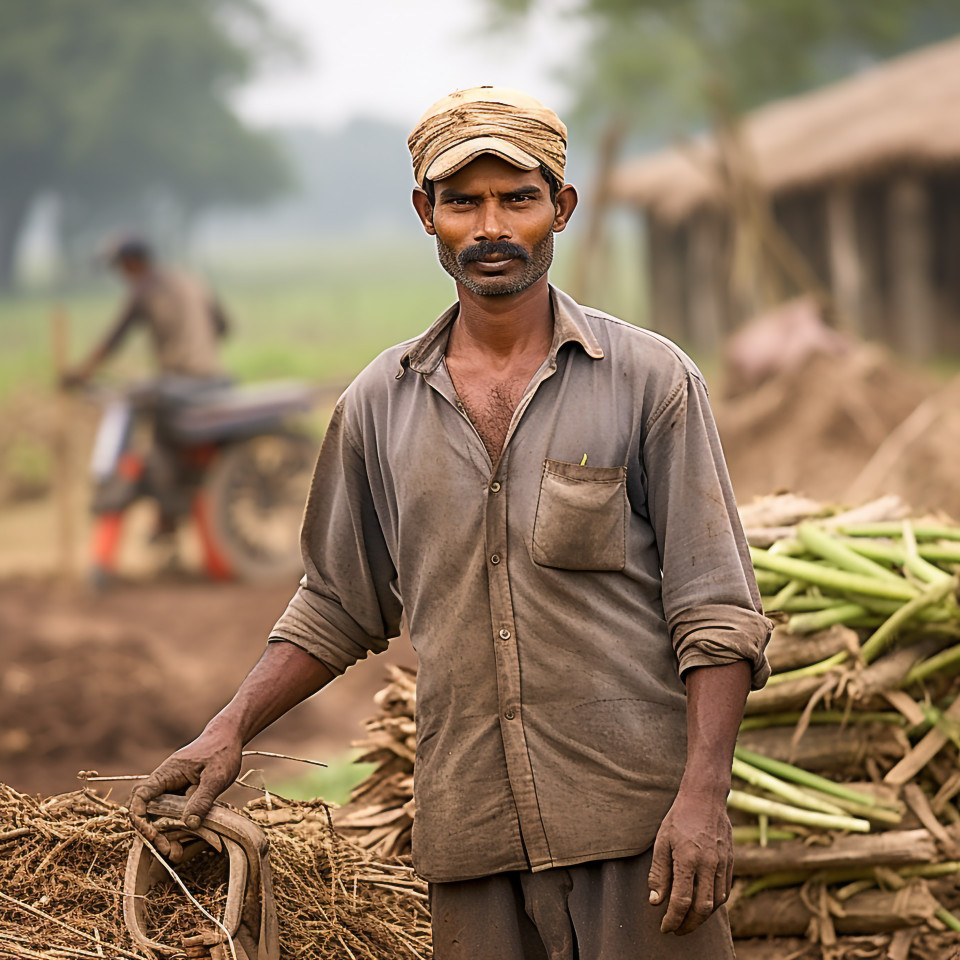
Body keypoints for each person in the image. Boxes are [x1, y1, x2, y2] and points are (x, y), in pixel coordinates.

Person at [130, 87, 771, 959]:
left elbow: (716, 611)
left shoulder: (650, 381)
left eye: (517, 198)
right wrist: (229, 728)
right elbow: (337, 604)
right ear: (427, 216)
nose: (490, 226)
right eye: (464, 202)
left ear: (562, 209)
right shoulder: (377, 406)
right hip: (473, 845)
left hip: (639, 837)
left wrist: (703, 797)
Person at [64, 237, 231, 537]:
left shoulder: (145, 289)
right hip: (215, 379)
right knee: (159, 423)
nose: (121, 274)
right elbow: (223, 326)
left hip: (186, 381)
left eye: (120, 267)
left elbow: (114, 338)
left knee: (131, 399)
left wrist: (81, 373)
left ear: (132, 262)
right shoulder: (191, 280)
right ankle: (168, 506)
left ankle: (109, 481)